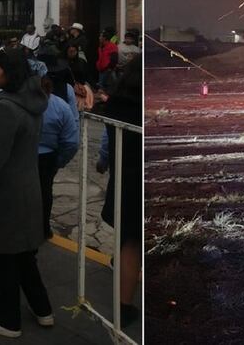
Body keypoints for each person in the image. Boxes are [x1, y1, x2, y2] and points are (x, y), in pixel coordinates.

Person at [0, 48, 53, 337]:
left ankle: (7, 319)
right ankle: (42, 309)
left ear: (10, 73)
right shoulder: (33, 100)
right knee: (25, 255)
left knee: (3, 257)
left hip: (4, 193)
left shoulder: (6, 107)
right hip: (26, 187)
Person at [100, 58, 143, 326]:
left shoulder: (115, 105)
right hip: (140, 179)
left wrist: (103, 160)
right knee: (133, 243)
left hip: (123, 178)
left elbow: (106, 141)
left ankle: (124, 305)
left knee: (128, 240)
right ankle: (125, 305)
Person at [37, 74, 79, 239]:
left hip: (25, 155)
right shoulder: (61, 106)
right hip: (48, 158)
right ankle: (43, 229)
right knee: (45, 192)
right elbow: (71, 142)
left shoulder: (19, 103)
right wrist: (59, 161)